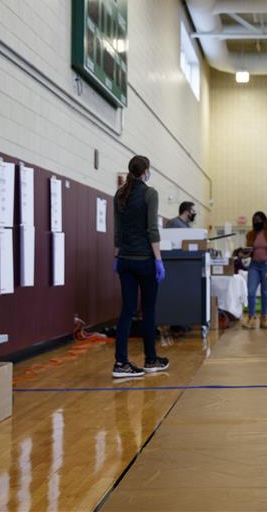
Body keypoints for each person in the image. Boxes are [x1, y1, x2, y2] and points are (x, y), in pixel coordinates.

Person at [113, 155, 169, 378]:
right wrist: (158, 259)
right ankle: (151, 359)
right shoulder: (150, 193)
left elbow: (118, 230)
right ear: (145, 170)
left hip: (125, 260)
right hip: (145, 260)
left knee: (126, 311)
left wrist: (116, 256)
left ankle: (121, 363)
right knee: (148, 310)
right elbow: (152, 230)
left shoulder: (119, 193)